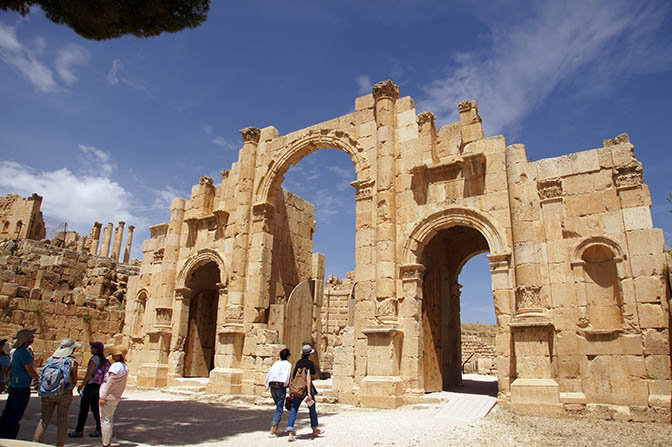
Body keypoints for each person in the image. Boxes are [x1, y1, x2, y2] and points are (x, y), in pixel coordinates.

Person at [33, 337, 80, 447]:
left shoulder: (51, 359)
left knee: (44, 419)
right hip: (64, 393)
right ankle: (60, 444)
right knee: (62, 419)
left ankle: (36, 443)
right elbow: (74, 380)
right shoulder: (72, 362)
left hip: (48, 392)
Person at [0, 328, 39, 439]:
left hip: (15, 386)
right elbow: (29, 369)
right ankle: (9, 437)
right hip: (21, 388)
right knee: (15, 414)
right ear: (26, 339)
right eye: (31, 336)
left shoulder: (17, 352)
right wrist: (39, 379)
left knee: (8, 412)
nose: (33, 338)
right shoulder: (24, 353)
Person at [69, 341, 108, 439]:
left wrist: (82, 385)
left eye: (92, 348)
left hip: (90, 386)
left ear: (96, 349)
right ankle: (99, 429)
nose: (91, 349)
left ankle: (79, 430)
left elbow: (89, 373)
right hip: (97, 386)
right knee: (95, 409)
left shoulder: (94, 359)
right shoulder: (103, 359)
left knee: (84, 409)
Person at [286, 344, 324, 442]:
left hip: (298, 388)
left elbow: (294, 376)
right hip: (307, 388)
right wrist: (309, 393)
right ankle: (315, 429)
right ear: (310, 354)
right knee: (312, 409)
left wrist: (292, 390)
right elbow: (309, 377)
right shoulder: (310, 364)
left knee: (294, 408)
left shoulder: (298, 363)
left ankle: (290, 431)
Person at [99, 345, 129, 447]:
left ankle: (105, 443)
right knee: (109, 419)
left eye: (114, 354)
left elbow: (110, 382)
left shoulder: (115, 366)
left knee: (105, 421)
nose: (112, 356)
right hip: (116, 396)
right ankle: (107, 441)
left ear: (118, 355)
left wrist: (103, 396)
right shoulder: (125, 367)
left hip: (108, 396)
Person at [265, 348, 292, 437]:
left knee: (278, 407)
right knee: (279, 408)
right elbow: (287, 376)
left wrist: (266, 385)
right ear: (288, 356)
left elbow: (269, 373)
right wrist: (288, 387)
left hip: (272, 385)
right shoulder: (288, 365)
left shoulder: (276, 363)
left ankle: (276, 428)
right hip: (280, 386)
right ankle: (272, 429)